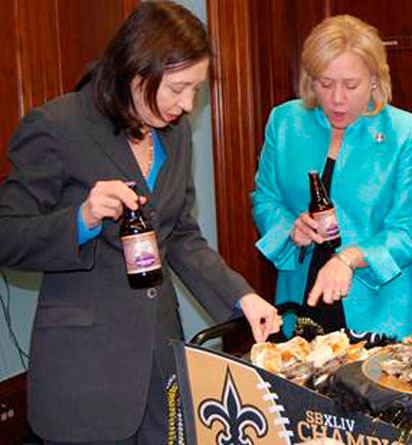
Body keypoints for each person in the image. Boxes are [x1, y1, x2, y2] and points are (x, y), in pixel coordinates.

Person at [0, 2, 281, 443]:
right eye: (177, 88)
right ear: (136, 71)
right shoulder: (56, 125)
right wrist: (82, 217)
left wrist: (241, 297)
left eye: (196, 90)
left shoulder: (174, 134)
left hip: (160, 363)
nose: (187, 105)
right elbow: (8, 235)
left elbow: (182, 236)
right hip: (84, 377)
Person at [252, 15, 412, 339]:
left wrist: (351, 258)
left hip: (384, 308)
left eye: (351, 85)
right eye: (325, 83)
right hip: (302, 299)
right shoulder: (284, 123)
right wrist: (290, 229)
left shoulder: (408, 135)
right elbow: (266, 199)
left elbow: (409, 230)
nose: (337, 98)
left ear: (375, 81)